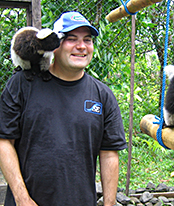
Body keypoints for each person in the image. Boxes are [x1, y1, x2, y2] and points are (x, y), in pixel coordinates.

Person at [0, 11, 127, 206]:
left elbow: (109, 153)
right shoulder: (22, 84)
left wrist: (109, 203)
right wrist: (22, 198)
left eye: (87, 39)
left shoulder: (102, 95)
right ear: (54, 44)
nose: (81, 46)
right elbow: (3, 140)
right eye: (71, 39)